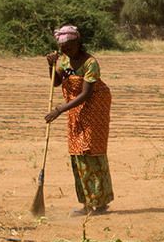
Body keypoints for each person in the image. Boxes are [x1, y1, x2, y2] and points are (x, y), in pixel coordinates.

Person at [44, 25, 113, 215]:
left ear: (77, 43)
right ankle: (86, 203)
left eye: (68, 46)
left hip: (94, 108)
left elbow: (86, 94)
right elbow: (56, 82)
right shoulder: (63, 60)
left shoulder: (90, 63)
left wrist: (58, 110)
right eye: (62, 47)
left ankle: (99, 202)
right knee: (77, 153)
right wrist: (51, 65)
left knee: (90, 151)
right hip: (74, 109)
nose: (64, 50)